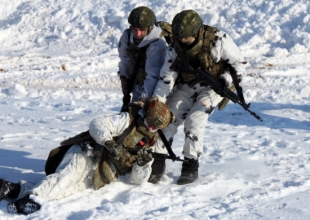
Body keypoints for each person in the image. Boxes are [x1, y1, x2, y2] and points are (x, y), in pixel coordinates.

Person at [0, 97, 175, 215]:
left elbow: (137, 181)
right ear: (145, 115)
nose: (151, 128)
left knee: (66, 192)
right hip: (87, 153)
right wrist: (109, 143)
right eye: (150, 123)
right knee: (65, 179)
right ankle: (32, 198)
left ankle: (12, 189)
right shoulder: (125, 120)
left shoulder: (153, 143)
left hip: (99, 174)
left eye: (156, 127)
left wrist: (142, 166)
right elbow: (98, 124)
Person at [152, 10, 248, 185]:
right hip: (186, 86)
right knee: (166, 119)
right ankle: (157, 162)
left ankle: (190, 166)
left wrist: (225, 81)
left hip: (213, 88)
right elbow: (166, 78)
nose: (181, 40)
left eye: (186, 37)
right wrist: (158, 102)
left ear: (196, 32)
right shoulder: (175, 46)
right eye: (179, 36)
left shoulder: (218, 40)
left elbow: (239, 63)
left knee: (194, 121)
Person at [118, 6, 167, 112]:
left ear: (150, 28)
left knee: (145, 119)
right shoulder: (127, 36)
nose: (138, 34)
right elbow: (125, 60)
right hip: (137, 83)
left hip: (156, 90)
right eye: (134, 29)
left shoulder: (157, 43)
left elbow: (153, 76)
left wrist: (143, 100)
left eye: (142, 30)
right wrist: (125, 80)